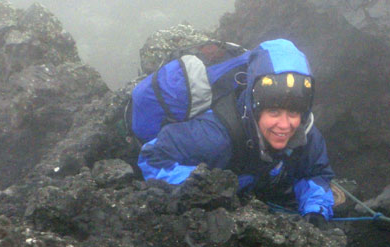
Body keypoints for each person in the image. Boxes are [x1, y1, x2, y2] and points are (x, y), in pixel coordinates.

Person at [138, 38, 335, 220]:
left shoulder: (304, 134)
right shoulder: (215, 138)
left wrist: (315, 209)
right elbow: (152, 157)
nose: (285, 125)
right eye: (274, 112)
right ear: (255, 108)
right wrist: (206, 188)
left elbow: (316, 173)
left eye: (293, 112)